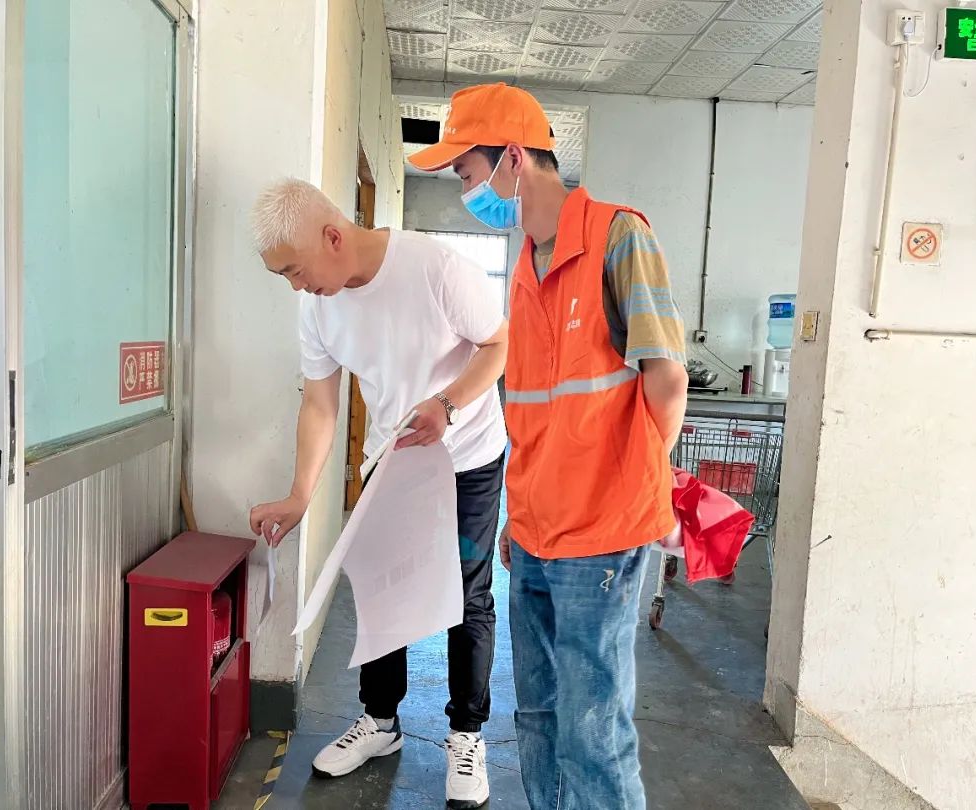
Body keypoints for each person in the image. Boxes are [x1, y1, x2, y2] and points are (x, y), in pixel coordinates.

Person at [409, 84, 689, 810]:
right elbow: (532, 415)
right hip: (535, 536)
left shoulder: (619, 237)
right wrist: (517, 517)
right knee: (536, 718)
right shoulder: (526, 268)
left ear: (512, 159)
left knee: (592, 731)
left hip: (601, 536)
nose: (467, 192)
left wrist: (645, 490)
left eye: (467, 173)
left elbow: (666, 380)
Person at [247, 178, 508, 809]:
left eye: (295, 270)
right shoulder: (319, 308)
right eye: (284, 276)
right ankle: (381, 722)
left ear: (332, 237)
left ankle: (466, 734)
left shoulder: (437, 270)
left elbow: (500, 344)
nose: (296, 287)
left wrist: (449, 404)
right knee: (382, 587)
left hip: (466, 457)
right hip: (389, 463)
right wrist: (300, 494)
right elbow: (320, 403)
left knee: (466, 594)